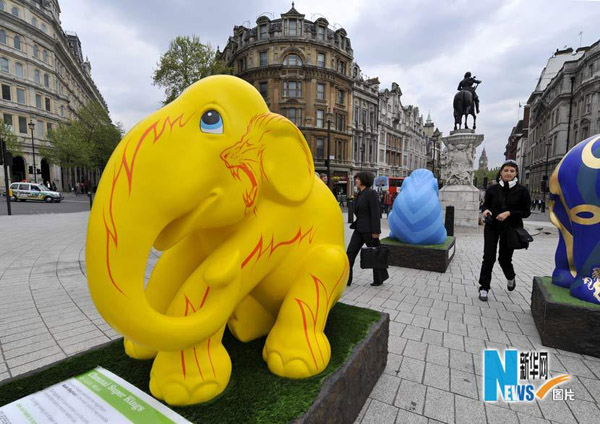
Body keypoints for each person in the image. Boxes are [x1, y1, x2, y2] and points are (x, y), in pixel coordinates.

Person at [478, 160, 531, 301]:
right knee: (488, 257)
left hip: (511, 228)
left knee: (504, 259)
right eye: (506, 170)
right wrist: (485, 211)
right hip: (492, 226)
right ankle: (484, 287)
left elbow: (526, 212)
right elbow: (485, 206)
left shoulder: (523, 191)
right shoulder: (492, 189)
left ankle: (510, 277)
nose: (508, 173)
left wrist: (509, 213)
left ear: (516, 173)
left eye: (512, 171)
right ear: (500, 172)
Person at [346, 171, 388, 287]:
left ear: (364, 180)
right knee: (349, 253)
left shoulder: (371, 193)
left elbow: (375, 213)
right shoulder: (359, 194)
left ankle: (379, 278)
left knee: (375, 254)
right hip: (359, 229)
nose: (356, 180)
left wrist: (376, 232)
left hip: (370, 231)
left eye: (358, 179)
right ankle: (346, 279)